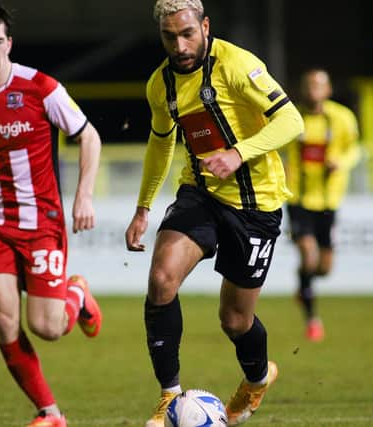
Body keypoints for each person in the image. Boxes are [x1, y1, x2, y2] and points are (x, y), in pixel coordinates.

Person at [124, 1, 304, 425]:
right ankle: (170, 396)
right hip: (200, 193)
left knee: (235, 320)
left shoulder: (238, 65)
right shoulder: (161, 84)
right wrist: (143, 207)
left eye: (188, 33)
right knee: (161, 278)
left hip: (256, 204)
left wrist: (238, 154)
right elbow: (160, 143)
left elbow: (292, 121)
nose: (180, 44)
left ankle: (257, 379)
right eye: (170, 36)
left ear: (205, 26)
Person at [0, 2, 103, 426]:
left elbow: (89, 137)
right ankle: (50, 413)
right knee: (2, 318)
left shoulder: (40, 87)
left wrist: (83, 196)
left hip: (41, 223)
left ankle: (76, 296)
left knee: (48, 327)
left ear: (9, 43)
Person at [283, 69, 360, 342]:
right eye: (308, 84)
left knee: (324, 268)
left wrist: (341, 162)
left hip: (328, 200)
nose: (313, 89)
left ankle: (303, 285)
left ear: (328, 90)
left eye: (319, 85)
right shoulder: (291, 116)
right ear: (303, 89)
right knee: (308, 253)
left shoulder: (342, 118)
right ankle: (313, 320)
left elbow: (355, 149)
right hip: (297, 199)